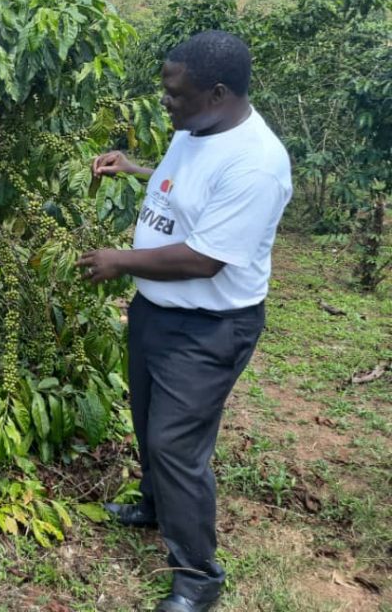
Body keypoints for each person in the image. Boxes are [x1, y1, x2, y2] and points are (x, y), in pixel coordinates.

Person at [77, 30, 291, 612]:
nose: (165, 102)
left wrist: (118, 260)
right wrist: (134, 169)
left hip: (209, 327)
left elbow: (205, 257)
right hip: (157, 313)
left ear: (216, 92)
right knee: (148, 418)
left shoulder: (257, 164)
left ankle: (197, 576)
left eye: (175, 93)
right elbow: (184, 189)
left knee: (176, 443)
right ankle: (154, 504)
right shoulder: (198, 128)